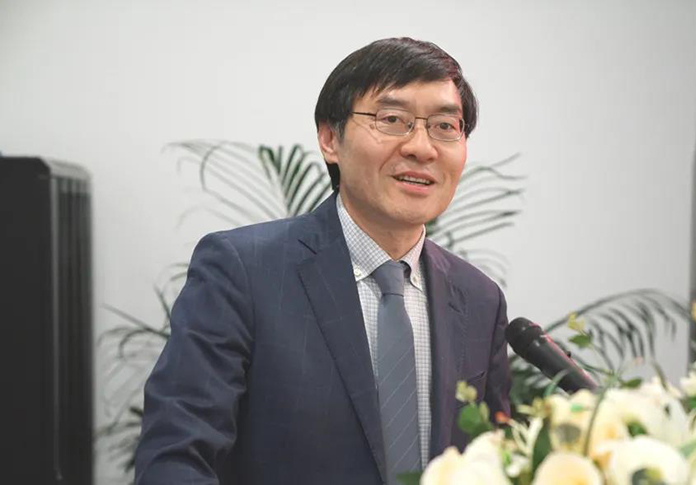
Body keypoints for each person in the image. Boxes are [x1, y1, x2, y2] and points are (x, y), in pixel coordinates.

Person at [135, 37, 511, 485]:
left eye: (445, 126)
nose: (422, 148)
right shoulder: (243, 271)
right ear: (330, 139)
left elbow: (498, 461)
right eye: (393, 120)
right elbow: (175, 458)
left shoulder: (480, 299)